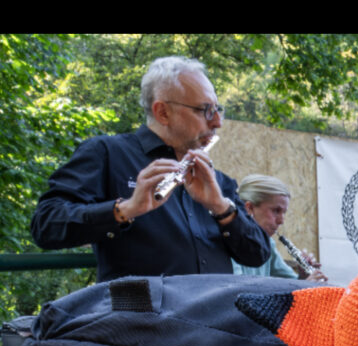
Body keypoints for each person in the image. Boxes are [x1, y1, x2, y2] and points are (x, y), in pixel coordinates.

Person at [30, 56, 270, 282]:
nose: (217, 122)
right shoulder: (107, 153)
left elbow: (258, 254)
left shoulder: (218, 182)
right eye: (205, 110)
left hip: (214, 320)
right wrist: (126, 209)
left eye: (218, 110)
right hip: (143, 321)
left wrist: (221, 209)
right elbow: (46, 224)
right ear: (163, 112)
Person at [233, 174, 327, 282]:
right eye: (276, 211)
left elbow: (289, 284)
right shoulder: (229, 241)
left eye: (283, 213)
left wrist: (304, 276)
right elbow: (238, 292)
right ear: (249, 208)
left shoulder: (267, 243)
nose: (281, 221)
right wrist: (305, 286)